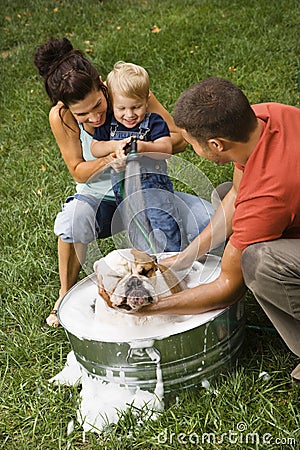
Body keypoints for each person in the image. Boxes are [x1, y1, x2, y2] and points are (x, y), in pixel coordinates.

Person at [34, 37, 213, 327]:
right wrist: (112, 156)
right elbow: (78, 170)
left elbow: (179, 139)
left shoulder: (127, 95)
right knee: (72, 220)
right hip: (100, 199)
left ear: (102, 85)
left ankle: (182, 290)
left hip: (147, 191)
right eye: (83, 115)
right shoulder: (61, 117)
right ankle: (65, 292)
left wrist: (141, 145)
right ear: (65, 107)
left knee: (210, 221)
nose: (94, 117)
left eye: (98, 105)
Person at [136, 77, 300, 384]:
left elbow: (228, 286)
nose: (192, 149)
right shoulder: (264, 117)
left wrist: (151, 309)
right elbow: (237, 194)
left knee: (259, 262)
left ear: (215, 144)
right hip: (284, 196)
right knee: (225, 193)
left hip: (278, 197)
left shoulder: (267, 194)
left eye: (194, 144)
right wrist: (185, 257)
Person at [91, 61, 181, 253]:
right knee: (137, 229)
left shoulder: (153, 122)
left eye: (136, 107)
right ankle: (148, 268)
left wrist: (142, 147)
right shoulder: (109, 125)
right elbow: (95, 148)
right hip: (125, 191)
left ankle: (173, 263)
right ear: (112, 104)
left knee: (164, 225)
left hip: (155, 190)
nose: (129, 114)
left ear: (147, 102)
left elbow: (166, 148)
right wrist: (115, 146)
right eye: (121, 108)